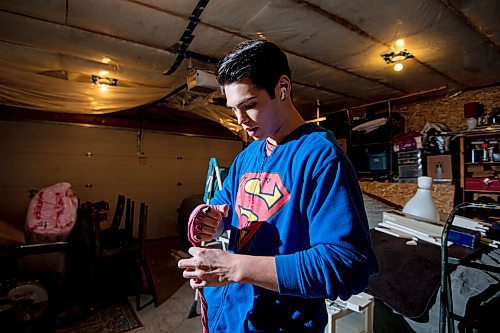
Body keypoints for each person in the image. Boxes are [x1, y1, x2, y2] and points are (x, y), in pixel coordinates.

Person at [178, 39, 378, 333]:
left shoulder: (320, 157)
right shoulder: (247, 156)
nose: (240, 121)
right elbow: (226, 205)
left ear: (282, 87)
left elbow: (347, 265)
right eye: (233, 108)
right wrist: (214, 220)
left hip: (285, 324)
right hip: (233, 314)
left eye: (249, 106)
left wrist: (236, 267)